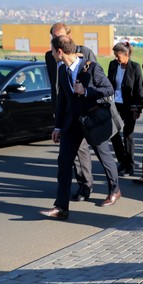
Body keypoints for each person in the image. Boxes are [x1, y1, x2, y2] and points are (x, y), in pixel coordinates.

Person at [40, 36, 121, 220]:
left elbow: (108, 89)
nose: (51, 54)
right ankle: (61, 207)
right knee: (63, 163)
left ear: (60, 51)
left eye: (53, 51)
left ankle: (115, 189)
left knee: (104, 157)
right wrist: (58, 126)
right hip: (71, 124)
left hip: (92, 121)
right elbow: (63, 101)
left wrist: (86, 91)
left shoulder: (91, 67)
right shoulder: (62, 70)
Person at [45, 22, 97, 202]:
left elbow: (95, 80)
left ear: (69, 35)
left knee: (82, 150)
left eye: (59, 36)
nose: (56, 39)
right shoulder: (49, 55)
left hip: (81, 110)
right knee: (66, 155)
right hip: (62, 108)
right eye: (53, 37)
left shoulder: (85, 52)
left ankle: (86, 185)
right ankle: (64, 198)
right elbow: (55, 85)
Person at [107, 41, 143, 176]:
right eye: (115, 56)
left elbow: (139, 90)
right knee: (114, 133)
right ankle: (122, 161)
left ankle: (130, 165)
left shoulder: (135, 67)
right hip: (115, 105)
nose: (116, 59)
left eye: (118, 56)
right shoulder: (112, 65)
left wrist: (137, 109)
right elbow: (108, 83)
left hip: (129, 107)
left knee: (128, 134)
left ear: (126, 54)